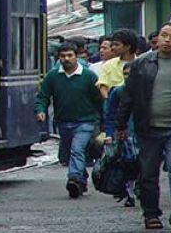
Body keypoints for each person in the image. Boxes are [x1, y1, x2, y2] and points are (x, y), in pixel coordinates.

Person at [116, 22, 171, 231]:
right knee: (148, 173)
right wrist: (121, 125)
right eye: (164, 35)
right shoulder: (141, 64)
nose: (167, 40)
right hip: (148, 128)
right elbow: (128, 97)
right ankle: (151, 214)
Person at [35, 42, 103, 198]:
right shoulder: (53, 76)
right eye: (63, 56)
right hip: (63, 122)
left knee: (77, 150)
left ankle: (74, 178)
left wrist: (103, 122)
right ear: (58, 58)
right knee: (71, 152)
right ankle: (81, 179)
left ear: (76, 56)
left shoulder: (88, 76)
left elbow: (99, 100)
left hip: (85, 121)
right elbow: (43, 96)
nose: (66, 59)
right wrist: (40, 110)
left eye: (70, 55)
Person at [102, 62, 136, 207]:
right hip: (124, 135)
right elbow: (110, 115)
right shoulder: (117, 92)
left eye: (131, 74)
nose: (128, 77)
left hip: (143, 134)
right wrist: (110, 134)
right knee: (127, 163)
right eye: (125, 74)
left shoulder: (148, 91)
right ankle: (129, 193)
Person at [97, 29, 139, 99]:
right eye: (112, 45)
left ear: (128, 46)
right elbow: (102, 86)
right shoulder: (108, 65)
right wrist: (110, 100)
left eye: (117, 45)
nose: (113, 47)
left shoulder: (142, 64)